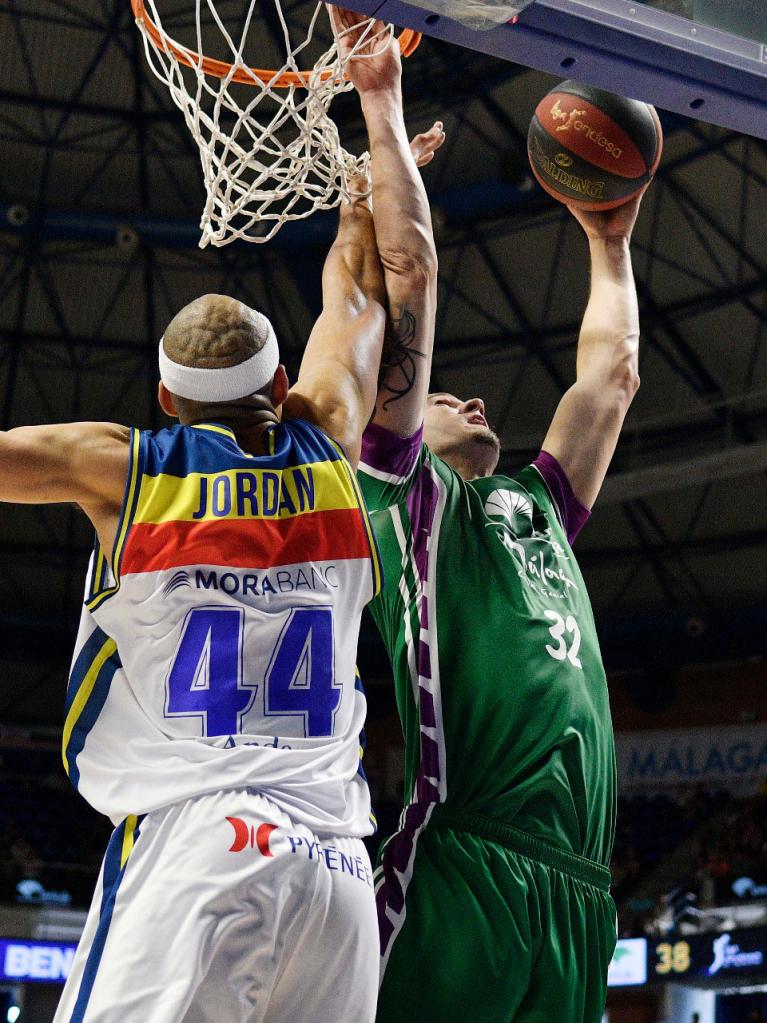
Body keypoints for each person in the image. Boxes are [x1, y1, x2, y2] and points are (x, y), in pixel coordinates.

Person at [0, 37, 443, 1022]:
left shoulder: (119, 466)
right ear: (279, 386)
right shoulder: (329, 435)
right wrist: (361, 199)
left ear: (163, 397)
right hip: (333, 863)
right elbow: (360, 297)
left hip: (202, 851)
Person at [357, 182, 652, 1021]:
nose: (473, 402)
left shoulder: (537, 505)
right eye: (447, 400)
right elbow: (407, 289)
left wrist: (610, 241)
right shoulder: (407, 503)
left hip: (582, 890)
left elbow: (613, 373)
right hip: (464, 861)